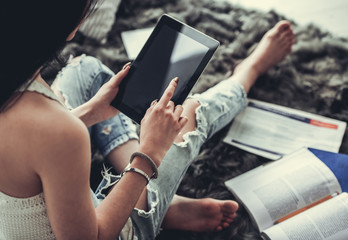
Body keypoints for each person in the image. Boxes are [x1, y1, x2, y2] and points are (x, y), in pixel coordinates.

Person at [0, 0, 295, 239]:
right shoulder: (58, 132)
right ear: (70, 24)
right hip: (108, 230)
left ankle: (159, 197)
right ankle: (249, 70)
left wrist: (89, 113)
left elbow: (31, 146)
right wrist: (151, 151)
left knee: (85, 69)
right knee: (188, 113)